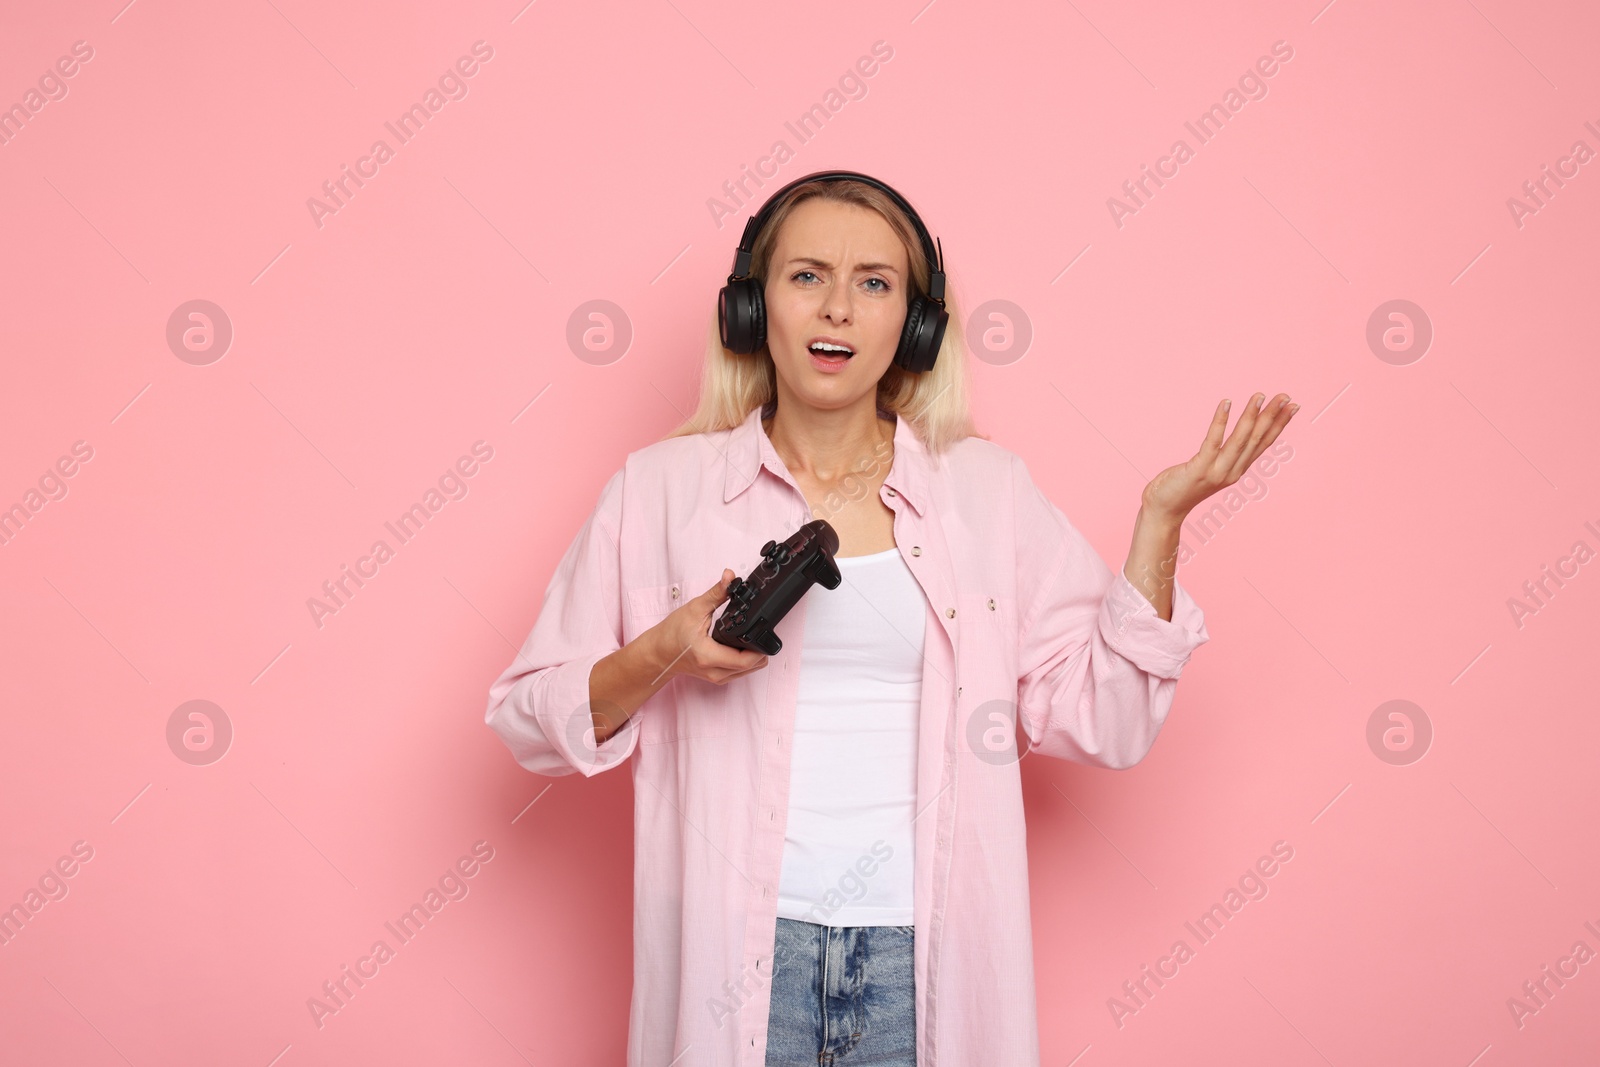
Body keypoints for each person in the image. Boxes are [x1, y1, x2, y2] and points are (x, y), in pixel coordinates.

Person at [484, 170, 1296, 1066]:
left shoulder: (987, 493)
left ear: (915, 326)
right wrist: (665, 651)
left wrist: (1160, 524)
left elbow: (1106, 719)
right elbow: (529, 716)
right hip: (743, 958)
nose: (838, 309)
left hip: (927, 961)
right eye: (806, 277)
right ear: (754, 311)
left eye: (874, 283)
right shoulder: (660, 492)